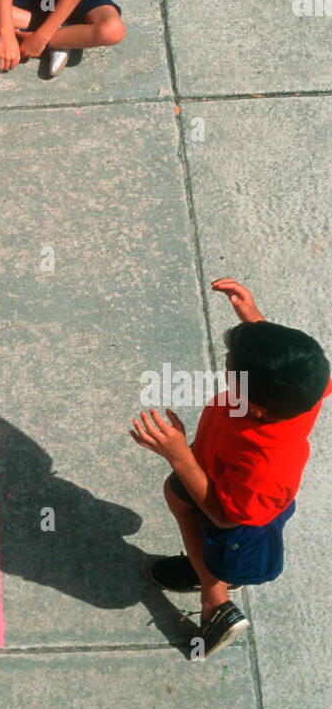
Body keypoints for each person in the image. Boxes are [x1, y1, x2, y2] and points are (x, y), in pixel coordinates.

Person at [131, 278, 331, 659]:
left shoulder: (264, 465)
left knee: (213, 544)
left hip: (240, 519)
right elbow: (288, 369)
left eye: (231, 371)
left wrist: (178, 454)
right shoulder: (302, 389)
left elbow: (223, 516)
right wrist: (256, 323)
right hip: (218, 469)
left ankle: (216, 601)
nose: (226, 373)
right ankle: (206, 568)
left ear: (257, 409)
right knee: (177, 495)